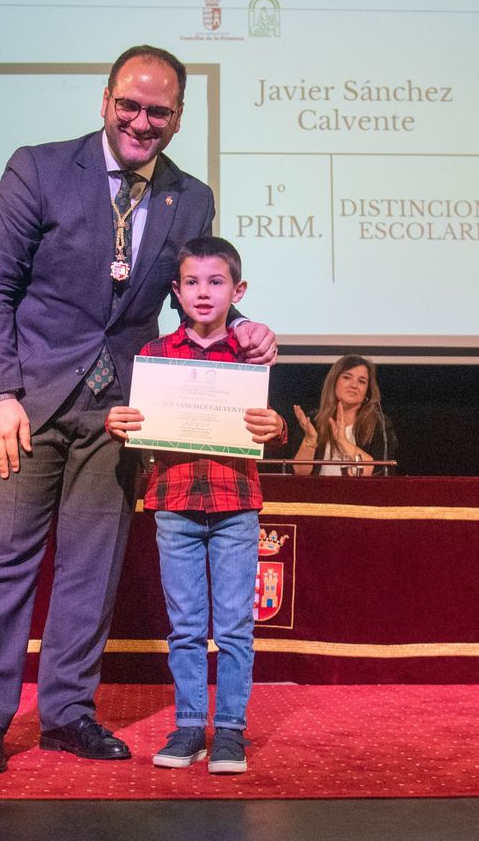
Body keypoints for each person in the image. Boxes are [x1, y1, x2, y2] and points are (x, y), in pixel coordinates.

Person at [0, 44, 277, 776]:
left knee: (91, 567)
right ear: (106, 101)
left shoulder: (190, 197)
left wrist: (246, 329)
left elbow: (191, 295)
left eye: (158, 111)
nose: (141, 120)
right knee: (4, 561)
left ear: (179, 118)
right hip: (23, 403)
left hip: (122, 411)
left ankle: (68, 713)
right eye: (129, 105)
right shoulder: (37, 167)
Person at [106, 236, 284, 775]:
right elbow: (139, 424)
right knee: (185, 626)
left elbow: (267, 424)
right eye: (191, 283)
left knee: (233, 625)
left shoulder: (250, 354)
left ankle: (229, 729)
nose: (203, 293)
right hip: (175, 502)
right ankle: (188, 725)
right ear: (176, 292)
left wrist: (275, 428)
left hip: (235, 503)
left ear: (238, 290)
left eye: (216, 282)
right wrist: (120, 423)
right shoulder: (155, 356)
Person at [290, 355, 397, 476]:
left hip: (361, 493)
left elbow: (379, 472)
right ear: (334, 382)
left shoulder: (379, 424)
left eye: (362, 381)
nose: (354, 385)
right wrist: (310, 440)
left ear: (368, 391)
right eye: (347, 377)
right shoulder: (312, 421)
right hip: (317, 493)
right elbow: (299, 473)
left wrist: (343, 441)